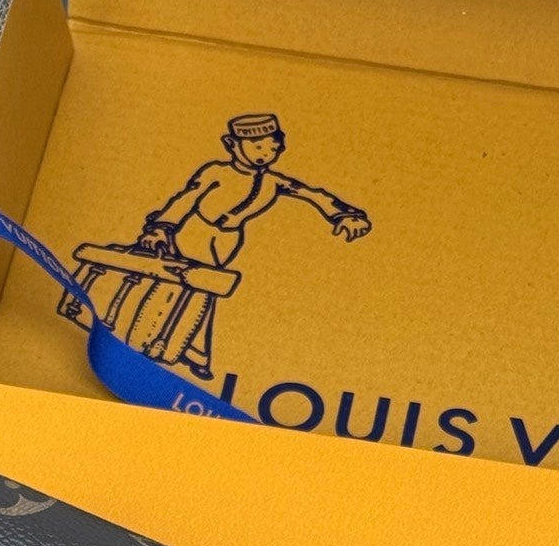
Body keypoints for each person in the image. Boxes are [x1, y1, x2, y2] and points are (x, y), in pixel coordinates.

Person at [66, 115, 370, 380]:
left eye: (271, 148)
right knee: (172, 286)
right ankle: (149, 339)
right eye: (257, 147)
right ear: (232, 144)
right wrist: (160, 228)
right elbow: (186, 199)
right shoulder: (216, 172)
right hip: (194, 232)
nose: (265, 154)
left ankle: (187, 348)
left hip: (226, 241)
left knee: (206, 292)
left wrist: (344, 214)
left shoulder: (274, 182)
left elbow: (313, 194)